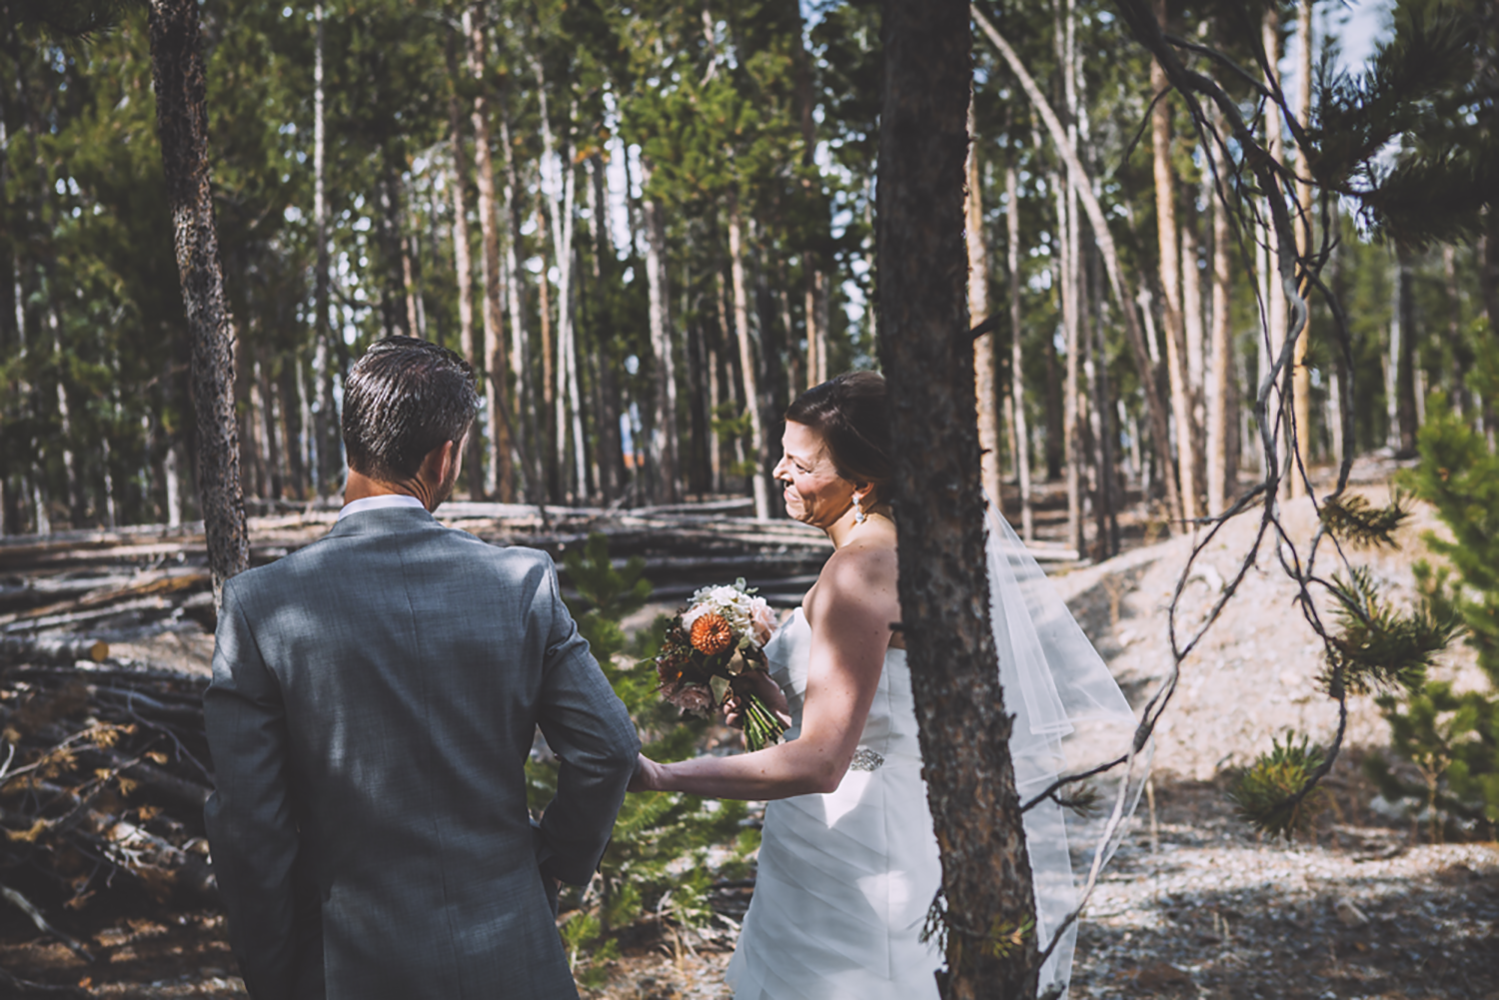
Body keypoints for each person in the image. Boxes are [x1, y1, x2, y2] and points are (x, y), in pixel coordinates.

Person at [629, 371, 1141, 1000]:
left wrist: (659, 776)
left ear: (862, 482)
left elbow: (821, 761)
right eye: (781, 453)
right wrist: (762, 689)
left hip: (861, 855)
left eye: (798, 461)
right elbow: (872, 712)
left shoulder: (860, 569)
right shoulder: (904, 552)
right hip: (855, 829)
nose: (777, 472)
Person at [204, 336, 639, 1000]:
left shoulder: (260, 605)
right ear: (444, 457)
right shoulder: (520, 582)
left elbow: (247, 829)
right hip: (516, 953)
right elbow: (608, 749)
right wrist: (548, 864)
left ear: (348, 440)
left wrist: (277, 975)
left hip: (350, 967)